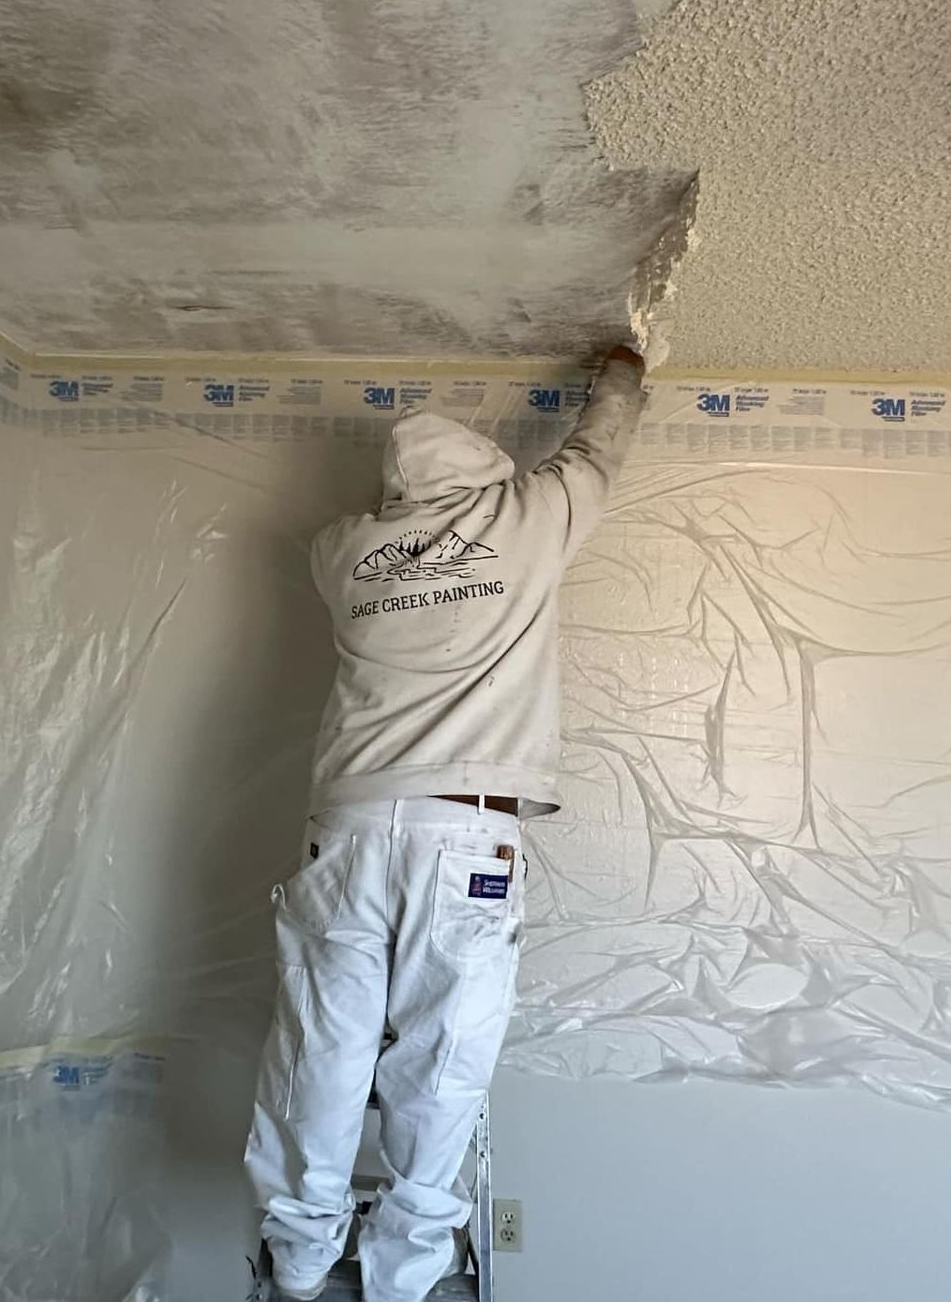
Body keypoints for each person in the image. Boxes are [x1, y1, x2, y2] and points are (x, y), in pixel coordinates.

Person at [245, 343, 650, 1302]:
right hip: (466, 832)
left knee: (324, 1040)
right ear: (487, 477)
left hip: (345, 823)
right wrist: (625, 371)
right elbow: (596, 454)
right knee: (444, 1050)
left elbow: (385, 532)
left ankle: (302, 1257)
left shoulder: (339, 551)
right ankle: (406, 1272)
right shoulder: (525, 520)